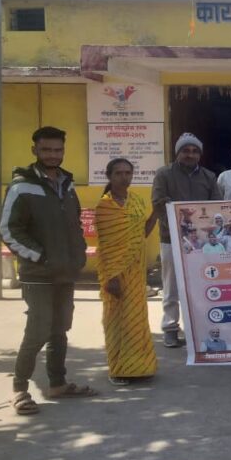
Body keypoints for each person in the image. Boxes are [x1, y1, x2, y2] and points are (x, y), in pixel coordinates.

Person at [0, 126, 95, 415]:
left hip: (65, 272)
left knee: (60, 330)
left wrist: (77, 254)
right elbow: (8, 230)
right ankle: (19, 390)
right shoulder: (21, 187)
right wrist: (41, 257)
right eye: (46, 150)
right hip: (38, 275)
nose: (53, 155)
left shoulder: (67, 184)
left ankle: (57, 384)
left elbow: (74, 224)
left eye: (58, 150)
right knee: (37, 331)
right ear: (35, 151)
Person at [153, 133, 223, 348]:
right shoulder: (164, 174)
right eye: (185, 150)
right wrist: (178, 230)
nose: (190, 155)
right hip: (171, 239)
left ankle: (198, 330)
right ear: (178, 153)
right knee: (171, 287)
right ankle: (170, 328)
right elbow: (158, 205)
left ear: (200, 154)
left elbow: (216, 206)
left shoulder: (209, 176)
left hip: (201, 242)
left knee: (202, 285)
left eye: (194, 151)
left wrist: (202, 232)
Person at [95, 158, 159, 387]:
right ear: (109, 176)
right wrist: (111, 277)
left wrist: (156, 214)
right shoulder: (105, 207)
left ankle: (140, 367)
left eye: (128, 173)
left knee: (136, 319)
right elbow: (106, 246)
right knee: (116, 320)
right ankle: (118, 368)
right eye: (119, 173)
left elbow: (142, 234)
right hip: (114, 273)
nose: (124, 177)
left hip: (136, 272)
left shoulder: (138, 201)